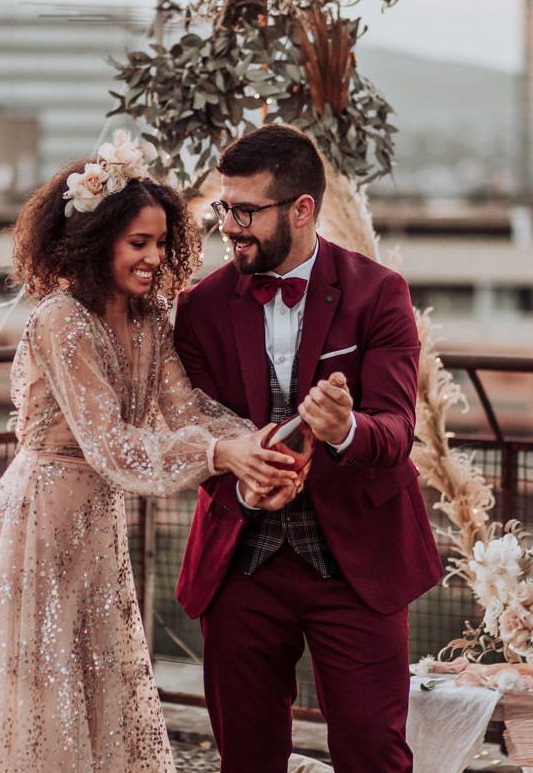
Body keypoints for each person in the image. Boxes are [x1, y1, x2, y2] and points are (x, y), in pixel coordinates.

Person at [0, 133, 297, 773]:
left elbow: (188, 413)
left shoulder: (151, 319)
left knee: (96, 689)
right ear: (96, 241)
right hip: (40, 525)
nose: (155, 257)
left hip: (97, 525)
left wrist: (261, 442)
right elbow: (115, 447)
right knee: (42, 700)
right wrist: (222, 455)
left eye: (161, 242)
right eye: (139, 243)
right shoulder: (60, 320)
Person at [174, 125, 443, 773]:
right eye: (223, 208)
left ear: (302, 210)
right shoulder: (201, 308)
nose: (230, 226)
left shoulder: (379, 293)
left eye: (246, 211)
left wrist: (344, 428)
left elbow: (395, 431)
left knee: (373, 752)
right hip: (242, 561)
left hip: (356, 565)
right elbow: (197, 428)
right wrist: (240, 479)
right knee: (245, 756)